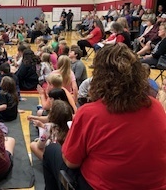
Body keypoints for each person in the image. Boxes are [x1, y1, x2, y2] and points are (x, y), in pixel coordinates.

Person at [43, 43, 166, 190]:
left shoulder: (90, 113)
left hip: (100, 185)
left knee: (52, 150)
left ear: (100, 76)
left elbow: (71, 162)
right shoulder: (156, 106)